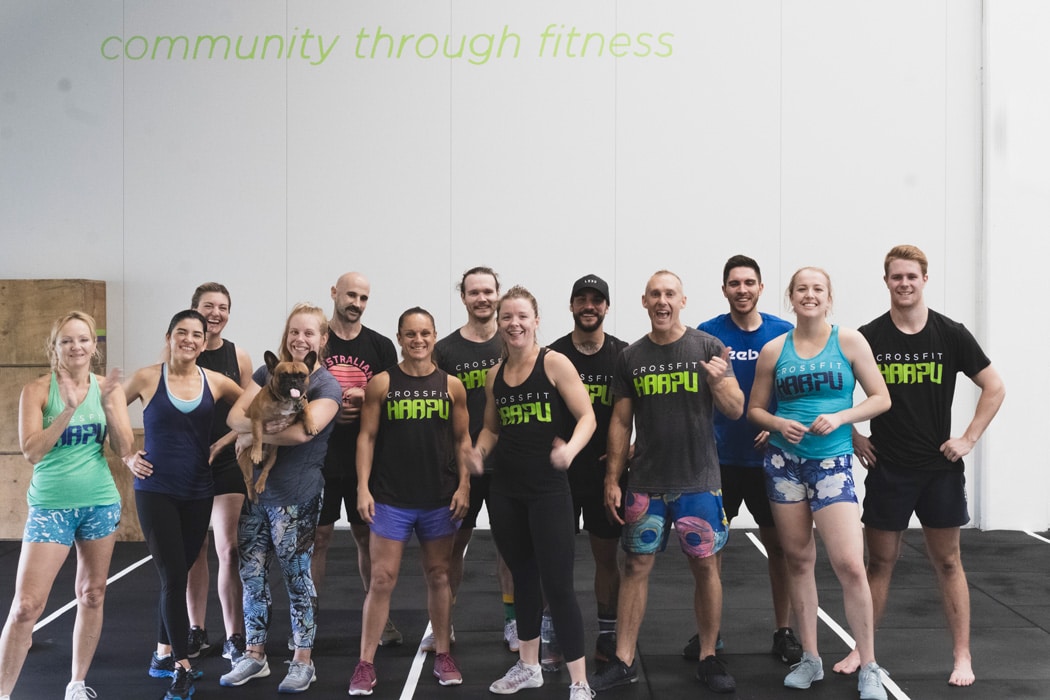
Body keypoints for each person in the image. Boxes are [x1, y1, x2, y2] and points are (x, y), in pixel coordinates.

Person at [833, 245, 1005, 687]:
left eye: (911, 276)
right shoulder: (869, 337)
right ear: (886, 281)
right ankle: (862, 649)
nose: (904, 284)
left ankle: (962, 655)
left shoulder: (950, 334)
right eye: (896, 277)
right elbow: (834, 395)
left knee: (948, 563)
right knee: (879, 564)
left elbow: (994, 386)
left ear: (924, 280)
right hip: (888, 468)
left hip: (938, 469)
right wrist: (853, 436)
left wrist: (968, 438)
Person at [589, 270, 743, 695]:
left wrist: (718, 381)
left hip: (699, 482)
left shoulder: (707, 347)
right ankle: (622, 660)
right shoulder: (631, 357)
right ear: (643, 301)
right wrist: (612, 477)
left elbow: (734, 408)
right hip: (646, 484)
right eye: (655, 294)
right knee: (636, 565)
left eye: (669, 294)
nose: (662, 301)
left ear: (683, 300)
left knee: (705, 566)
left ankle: (709, 655)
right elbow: (621, 421)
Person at [747, 266, 891, 699]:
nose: (809, 295)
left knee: (849, 563)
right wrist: (777, 421)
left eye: (818, 289)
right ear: (791, 297)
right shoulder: (774, 349)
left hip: (831, 464)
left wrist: (843, 418)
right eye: (802, 289)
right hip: (784, 463)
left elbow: (881, 398)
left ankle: (868, 663)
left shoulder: (848, 341)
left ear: (829, 298)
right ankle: (810, 657)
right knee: (798, 559)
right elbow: (755, 410)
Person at [0, 312, 135, 700]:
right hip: (51, 506)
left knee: (92, 593)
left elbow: (124, 449)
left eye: (84, 340)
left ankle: (76, 684)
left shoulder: (107, 388)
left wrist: (109, 402)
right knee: (26, 606)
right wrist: (69, 409)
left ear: (95, 346)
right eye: (67, 341)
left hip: (99, 503)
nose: (76, 347)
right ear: (54, 347)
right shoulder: (37, 390)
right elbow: (31, 452)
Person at [472, 286, 597, 700]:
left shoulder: (555, 363)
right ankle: (528, 667)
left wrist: (571, 450)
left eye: (522, 316)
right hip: (506, 491)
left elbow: (587, 417)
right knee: (523, 578)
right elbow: (491, 427)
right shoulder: (495, 373)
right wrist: (478, 452)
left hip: (548, 490)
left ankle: (580, 682)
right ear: (499, 323)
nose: (514, 324)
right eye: (507, 317)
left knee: (558, 585)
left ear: (536, 320)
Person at [348, 308, 472, 695]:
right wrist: (362, 487)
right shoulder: (382, 383)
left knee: (438, 575)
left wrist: (465, 485)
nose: (418, 341)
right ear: (399, 338)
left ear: (435, 336)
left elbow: (462, 441)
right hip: (390, 498)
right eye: (410, 334)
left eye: (425, 334)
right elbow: (366, 437)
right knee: (382, 579)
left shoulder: (452, 386)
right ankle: (365, 663)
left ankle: (444, 653)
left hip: (438, 497)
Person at [220, 303, 341, 693]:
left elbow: (305, 433)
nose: (300, 340)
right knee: (251, 573)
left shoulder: (325, 386)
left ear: (322, 340)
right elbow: (235, 416)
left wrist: (254, 434)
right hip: (257, 493)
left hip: (296, 494)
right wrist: (248, 428)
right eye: (294, 332)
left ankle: (303, 660)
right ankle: (254, 656)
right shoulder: (267, 373)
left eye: (309, 333)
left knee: (296, 577)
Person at [123, 309, 243, 700]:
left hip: (198, 490)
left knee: (181, 570)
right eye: (182, 332)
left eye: (197, 334)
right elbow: (107, 407)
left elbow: (256, 407)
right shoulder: (147, 377)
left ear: (205, 342)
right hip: (155, 490)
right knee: (174, 577)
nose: (190, 339)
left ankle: (161, 656)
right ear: (170, 335)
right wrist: (126, 454)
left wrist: (226, 441)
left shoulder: (218, 381)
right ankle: (181, 665)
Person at [693, 255, 801, 664]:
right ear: (724, 289)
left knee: (781, 548)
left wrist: (775, 424)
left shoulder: (783, 333)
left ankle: (784, 630)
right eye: (734, 283)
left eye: (749, 283)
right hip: (718, 460)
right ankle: (711, 634)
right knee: (711, 551)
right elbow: (696, 395)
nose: (742, 290)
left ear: (760, 288)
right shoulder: (708, 334)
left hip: (770, 458)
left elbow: (797, 393)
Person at [432, 266, 518, 653]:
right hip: (459, 468)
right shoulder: (446, 351)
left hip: (509, 466)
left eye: (488, 291)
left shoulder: (514, 342)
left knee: (509, 549)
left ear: (497, 294)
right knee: (452, 549)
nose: (482, 298)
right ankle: (443, 625)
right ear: (463, 297)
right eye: (474, 292)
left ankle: (513, 623)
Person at [315, 272, 401, 646]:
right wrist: (329, 407)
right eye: (351, 295)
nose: (357, 303)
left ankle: (378, 621)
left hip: (367, 462)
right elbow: (291, 387)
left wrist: (363, 401)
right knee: (317, 540)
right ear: (334, 293)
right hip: (318, 459)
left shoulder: (381, 347)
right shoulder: (314, 341)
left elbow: (392, 398)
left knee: (367, 539)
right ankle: (308, 623)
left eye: (364, 298)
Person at [547, 274, 627, 664]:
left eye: (597, 300)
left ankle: (607, 634)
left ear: (607, 307)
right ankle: (555, 631)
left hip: (606, 476)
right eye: (582, 299)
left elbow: (649, 412)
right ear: (572, 306)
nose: (589, 306)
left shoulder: (624, 355)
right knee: (555, 557)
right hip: (559, 474)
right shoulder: (552, 355)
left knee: (605, 558)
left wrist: (631, 450)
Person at [183, 283, 254, 663]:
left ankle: (235, 634)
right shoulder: (180, 356)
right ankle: (196, 629)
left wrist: (223, 444)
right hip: (187, 466)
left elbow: (247, 412)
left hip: (225, 462)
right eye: (208, 306)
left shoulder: (237, 356)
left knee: (228, 548)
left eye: (223, 307)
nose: (215, 313)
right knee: (195, 552)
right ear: (194, 310)